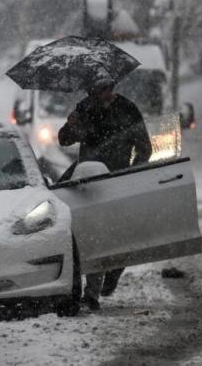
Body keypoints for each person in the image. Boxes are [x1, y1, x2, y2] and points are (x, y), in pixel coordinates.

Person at [58, 80, 152, 311]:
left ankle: (114, 269)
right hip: (87, 178)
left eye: (99, 91)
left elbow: (145, 149)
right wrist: (71, 126)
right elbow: (64, 139)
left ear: (110, 88)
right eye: (91, 91)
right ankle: (86, 294)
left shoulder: (127, 109)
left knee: (115, 233)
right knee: (88, 232)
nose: (95, 95)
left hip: (116, 179)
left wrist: (129, 175)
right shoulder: (84, 108)